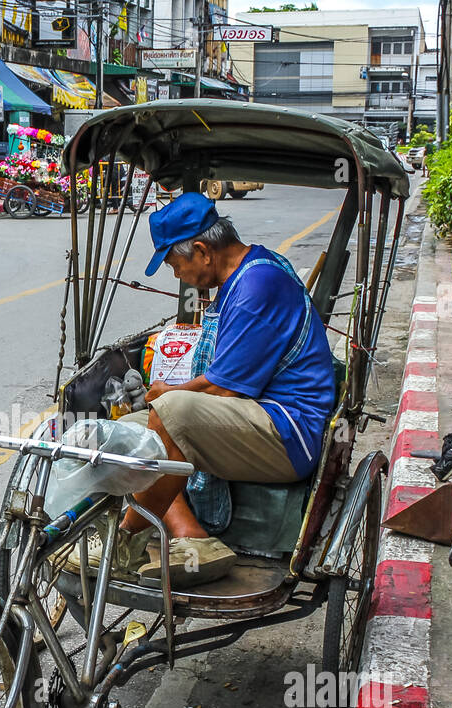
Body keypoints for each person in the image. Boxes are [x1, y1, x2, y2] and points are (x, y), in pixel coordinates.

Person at [77, 192, 337, 587]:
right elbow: (220, 382)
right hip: (253, 416)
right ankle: (191, 535)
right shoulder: (244, 274)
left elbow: (223, 390)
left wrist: (167, 394)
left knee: (170, 412)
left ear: (202, 250)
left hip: (288, 430)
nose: (177, 275)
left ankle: (124, 544)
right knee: (124, 429)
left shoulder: (257, 283)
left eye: (174, 264)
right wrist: (163, 397)